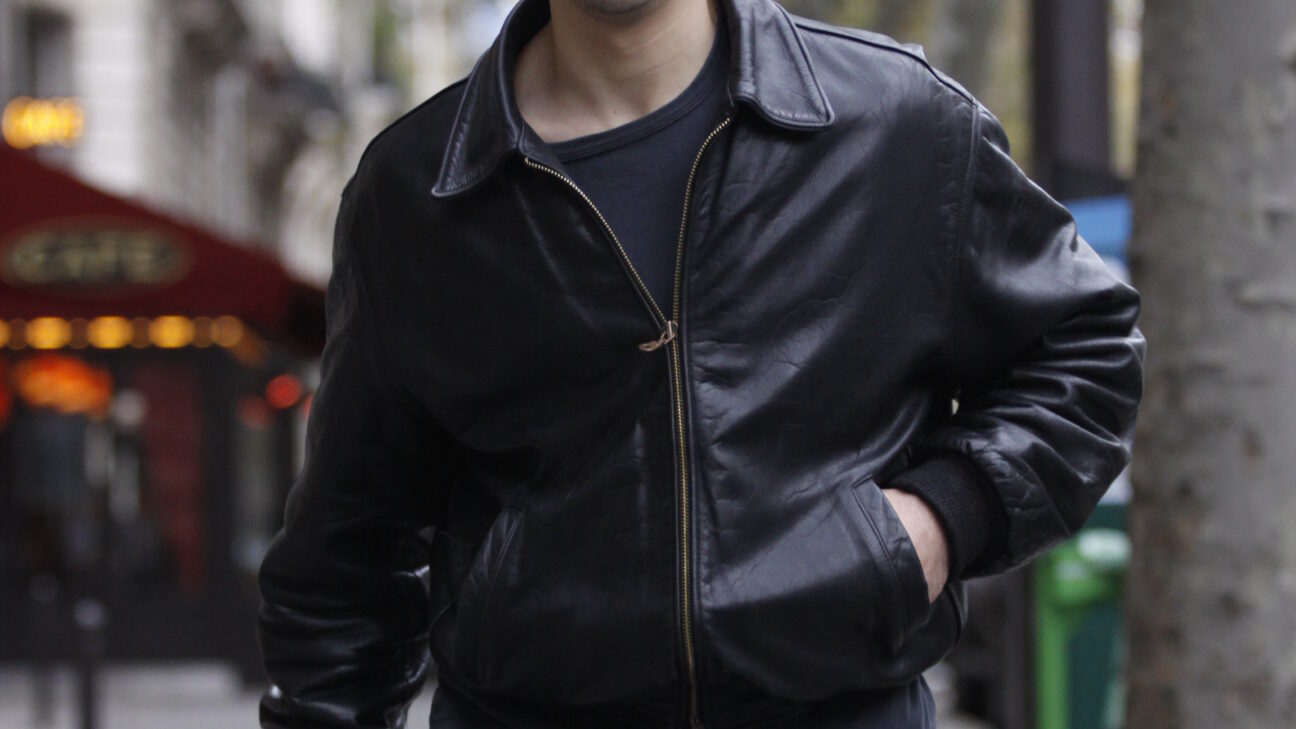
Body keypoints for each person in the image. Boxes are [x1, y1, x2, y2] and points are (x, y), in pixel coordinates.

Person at [256, 0, 1146, 725]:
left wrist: (941, 517)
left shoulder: (898, 124)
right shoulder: (417, 193)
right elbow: (344, 566)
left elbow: (1086, 348)